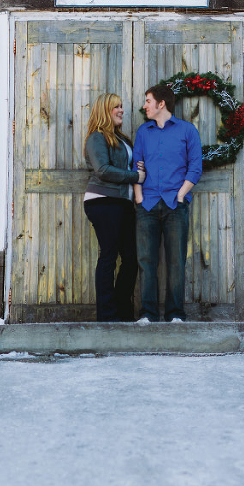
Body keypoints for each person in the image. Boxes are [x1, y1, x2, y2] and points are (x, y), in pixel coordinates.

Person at [132, 83, 203, 323]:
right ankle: (148, 314)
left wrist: (181, 195)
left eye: (148, 101)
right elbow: (136, 166)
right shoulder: (143, 132)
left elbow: (195, 167)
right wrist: (139, 197)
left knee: (176, 261)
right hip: (147, 205)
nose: (145, 106)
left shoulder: (187, 131)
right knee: (146, 261)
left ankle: (175, 314)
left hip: (176, 205)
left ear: (161, 104)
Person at [83, 94, 146, 322]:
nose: (121, 110)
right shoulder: (96, 138)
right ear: (104, 111)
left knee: (130, 258)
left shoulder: (122, 140)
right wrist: (135, 175)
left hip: (123, 203)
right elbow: (103, 170)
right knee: (109, 255)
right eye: (116, 107)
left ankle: (122, 312)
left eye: (121, 106)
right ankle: (107, 317)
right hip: (103, 201)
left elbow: (128, 167)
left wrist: (138, 167)